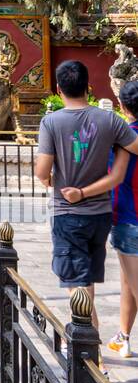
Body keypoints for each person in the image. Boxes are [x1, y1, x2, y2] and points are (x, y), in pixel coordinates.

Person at [34, 60, 138, 330]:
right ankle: (91, 341)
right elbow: (133, 147)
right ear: (88, 87)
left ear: (58, 89)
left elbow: (42, 171)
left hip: (67, 213)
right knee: (86, 276)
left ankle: (89, 346)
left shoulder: (51, 122)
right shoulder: (110, 120)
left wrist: (51, 179)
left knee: (76, 281)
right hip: (100, 215)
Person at [107, 79, 138, 358]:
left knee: (134, 280)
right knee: (128, 279)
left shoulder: (123, 139)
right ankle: (123, 336)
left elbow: (111, 176)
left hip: (130, 218)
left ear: (122, 105)